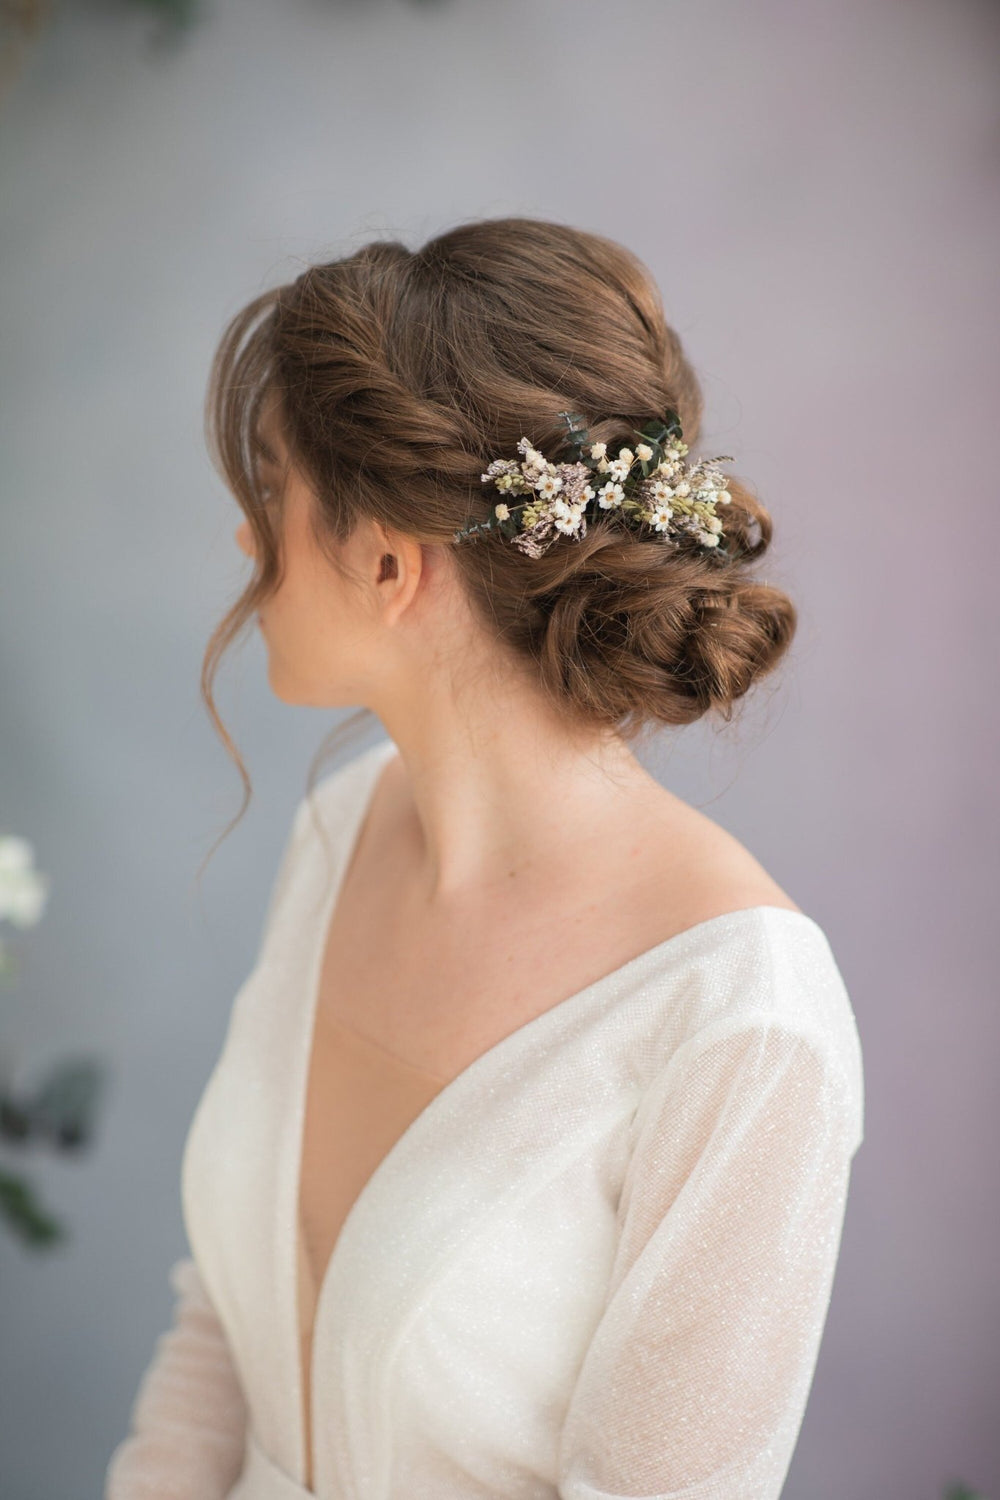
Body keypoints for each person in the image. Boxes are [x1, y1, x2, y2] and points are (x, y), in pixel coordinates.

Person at [104, 216, 864, 1500]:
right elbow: (221, 1334)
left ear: (390, 561)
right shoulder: (341, 831)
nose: (246, 537)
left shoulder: (740, 1025)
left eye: (273, 488)